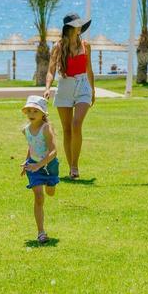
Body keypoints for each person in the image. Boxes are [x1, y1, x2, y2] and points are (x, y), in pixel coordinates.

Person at [44, 12, 95, 179]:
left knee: (76, 124)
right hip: (65, 85)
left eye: (80, 25)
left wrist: (92, 90)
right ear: (69, 28)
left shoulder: (86, 46)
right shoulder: (58, 47)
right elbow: (51, 70)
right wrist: (47, 87)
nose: (79, 28)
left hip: (83, 86)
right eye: (76, 25)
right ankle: (70, 166)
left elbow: (89, 70)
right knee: (67, 130)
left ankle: (75, 166)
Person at [20, 95, 59, 244]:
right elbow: (31, 146)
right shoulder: (26, 130)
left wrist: (40, 164)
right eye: (28, 111)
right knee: (38, 197)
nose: (31, 114)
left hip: (50, 166)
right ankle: (41, 232)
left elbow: (54, 151)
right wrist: (27, 161)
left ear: (43, 114)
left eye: (35, 111)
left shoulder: (46, 129)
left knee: (50, 192)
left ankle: (52, 184)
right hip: (33, 166)